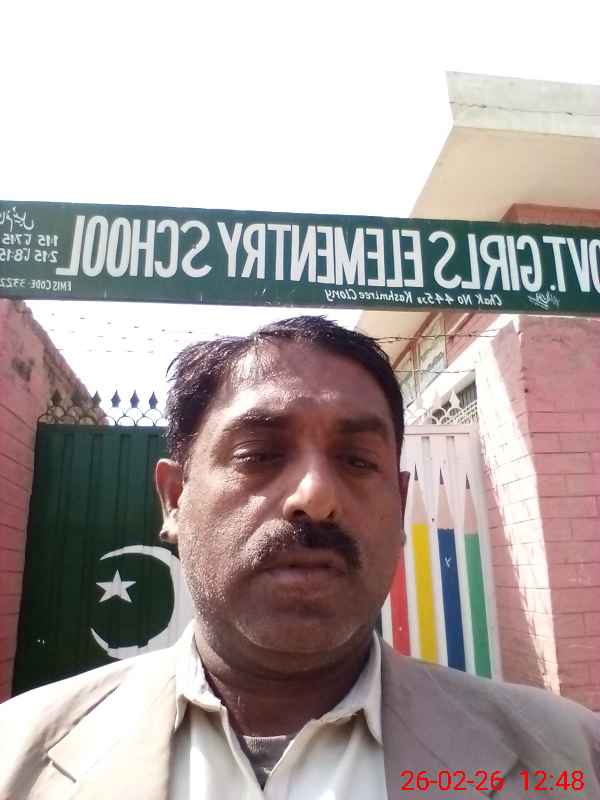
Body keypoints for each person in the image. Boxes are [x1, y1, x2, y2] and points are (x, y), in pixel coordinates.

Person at [1, 315, 599, 800]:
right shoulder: (16, 755)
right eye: (258, 455)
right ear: (175, 500)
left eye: (357, 461)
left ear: (400, 505)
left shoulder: (572, 761)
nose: (315, 496)